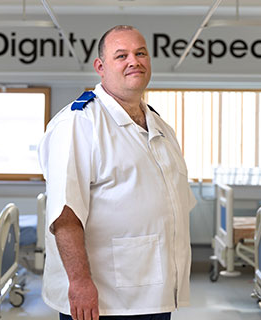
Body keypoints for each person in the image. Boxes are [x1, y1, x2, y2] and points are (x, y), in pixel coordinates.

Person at [38, 25, 196, 320]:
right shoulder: (79, 124)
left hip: (156, 294)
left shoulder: (160, 126)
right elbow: (65, 216)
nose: (133, 61)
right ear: (101, 66)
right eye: (121, 55)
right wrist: (80, 282)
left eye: (140, 53)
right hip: (105, 300)